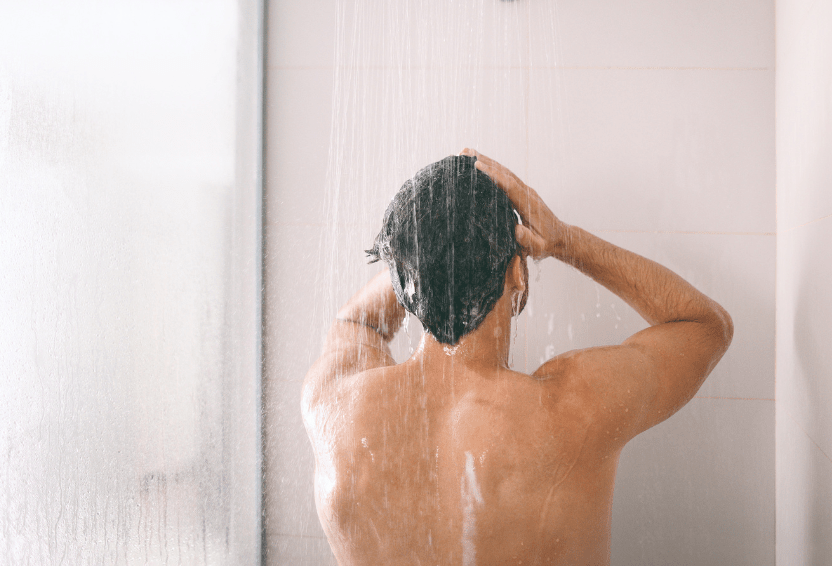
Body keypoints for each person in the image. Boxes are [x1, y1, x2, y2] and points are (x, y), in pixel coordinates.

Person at [301, 150, 734, 566]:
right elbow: (703, 326)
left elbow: (356, 323)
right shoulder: (574, 408)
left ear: (401, 281)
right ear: (517, 271)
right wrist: (563, 240)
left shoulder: (334, 407)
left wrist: (424, 258)